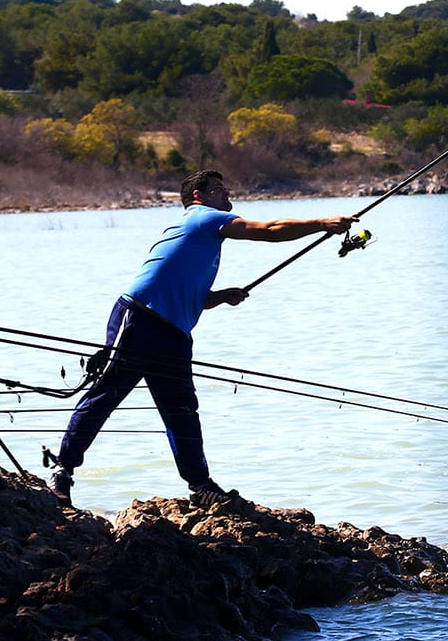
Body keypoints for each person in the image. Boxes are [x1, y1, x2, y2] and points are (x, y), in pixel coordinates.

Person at [47, 168, 354, 507]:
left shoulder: (205, 239)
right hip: (139, 319)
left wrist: (220, 296)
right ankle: (63, 471)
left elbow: (189, 293)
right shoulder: (202, 218)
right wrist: (323, 223)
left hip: (175, 333)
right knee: (105, 397)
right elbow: (268, 231)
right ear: (200, 196)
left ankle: (200, 486)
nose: (228, 196)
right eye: (220, 190)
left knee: (182, 411)